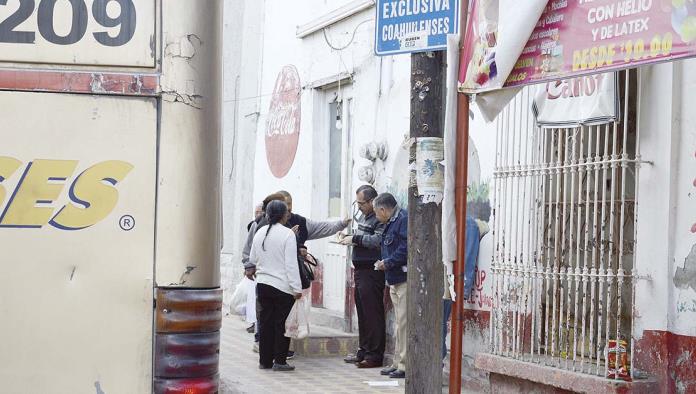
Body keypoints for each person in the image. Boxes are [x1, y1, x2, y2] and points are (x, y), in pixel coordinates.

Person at [249, 200, 303, 371]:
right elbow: (291, 265)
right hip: (282, 287)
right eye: (287, 212)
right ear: (283, 215)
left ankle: (264, 361)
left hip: (263, 284)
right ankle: (280, 361)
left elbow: (252, 259)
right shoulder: (288, 234)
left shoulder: (260, 233)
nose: (289, 214)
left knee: (265, 323)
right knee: (281, 324)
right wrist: (297, 288)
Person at [338, 185, 386, 368]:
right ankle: (363, 350)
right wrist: (348, 236)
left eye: (361, 203)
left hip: (371, 271)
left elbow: (377, 241)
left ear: (372, 201)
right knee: (363, 313)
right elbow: (361, 237)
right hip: (360, 270)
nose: (358, 206)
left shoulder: (379, 218)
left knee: (372, 313)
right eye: (357, 202)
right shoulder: (365, 217)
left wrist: (355, 239)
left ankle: (374, 355)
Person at [372, 193, 408, 379]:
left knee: (403, 324)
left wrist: (388, 262)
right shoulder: (392, 221)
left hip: (403, 278)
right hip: (394, 279)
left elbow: (405, 248)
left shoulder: (403, 220)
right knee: (398, 324)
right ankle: (397, 362)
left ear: (383, 209)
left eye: (376, 212)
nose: (376, 216)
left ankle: (403, 365)